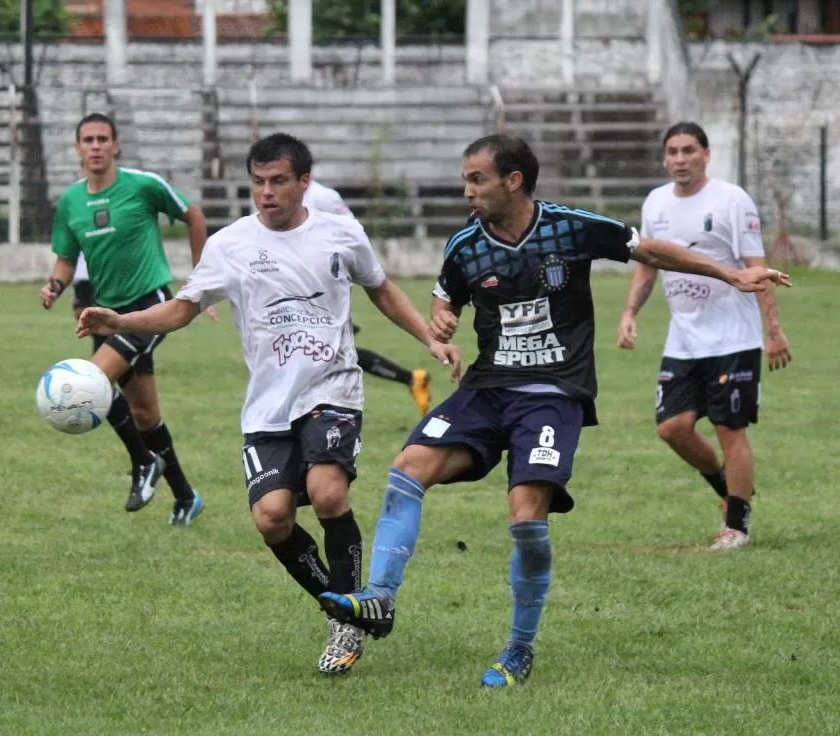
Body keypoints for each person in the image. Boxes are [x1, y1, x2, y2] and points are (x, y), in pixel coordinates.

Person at [317, 133, 790, 688]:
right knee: (406, 469)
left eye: (476, 179)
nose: (466, 190)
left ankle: (518, 650)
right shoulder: (466, 244)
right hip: (487, 388)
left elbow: (653, 249)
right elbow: (447, 293)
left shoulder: (570, 226)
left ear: (512, 181)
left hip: (553, 393)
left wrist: (731, 274)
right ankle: (378, 598)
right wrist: (441, 319)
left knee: (525, 515)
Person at [74, 133, 461, 674]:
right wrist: (118, 319)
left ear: (305, 182)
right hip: (268, 406)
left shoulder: (339, 232)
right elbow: (182, 309)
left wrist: (430, 338)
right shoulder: (230, 245)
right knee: (272, 518)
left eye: (279, 181)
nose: (267, 193)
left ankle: (346, 626)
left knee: (327, 493)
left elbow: (382, 289)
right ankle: (347, 604)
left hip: (332, 387)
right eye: (258, 182)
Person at [617, 121, 792, 551]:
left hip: (733, 337)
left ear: (706, 155)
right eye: (673, 151)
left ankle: (736, 527)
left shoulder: (731, 200)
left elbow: (758, 267)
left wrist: (773, 330)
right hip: (684, 339)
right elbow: (648, 263)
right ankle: (727, 489)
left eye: (689, 150)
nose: (680, 159)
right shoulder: (655, 203)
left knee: (729, 429)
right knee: (672, 428)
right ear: (664, 158)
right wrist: (628, 312)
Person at [39, 112, 208, 527]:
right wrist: (54, 287)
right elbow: (65, 259)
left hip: (149, 306)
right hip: (105, 314)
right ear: (77, 149)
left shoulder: (143, 185)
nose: (96, 146)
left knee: (92, 381)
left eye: (103, 139)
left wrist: (202, 279)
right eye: (88, 140)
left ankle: (143, 462)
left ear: (116, 146)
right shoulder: (71, 202)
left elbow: (194, 215)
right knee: (145, 415)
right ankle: (186, 497)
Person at [205, 177, 433, 415]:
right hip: (282, 296)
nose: (268, 189)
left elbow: (349, 240)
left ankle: (404, 381)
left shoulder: (325, 197)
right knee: (317, 355)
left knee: (330, 355)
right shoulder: (268, 197)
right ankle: (409, 379)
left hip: (319, 297)